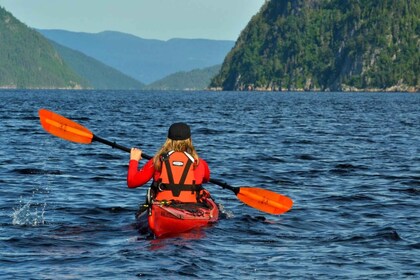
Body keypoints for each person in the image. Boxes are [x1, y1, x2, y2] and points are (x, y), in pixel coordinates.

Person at [127, 122, 211, 203]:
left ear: (168, 140)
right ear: (189, 140)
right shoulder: (200, 163)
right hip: (192, 208)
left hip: (163, 206)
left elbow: (132, 182)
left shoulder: (156, 161)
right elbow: (206, 179)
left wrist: (134, 160)